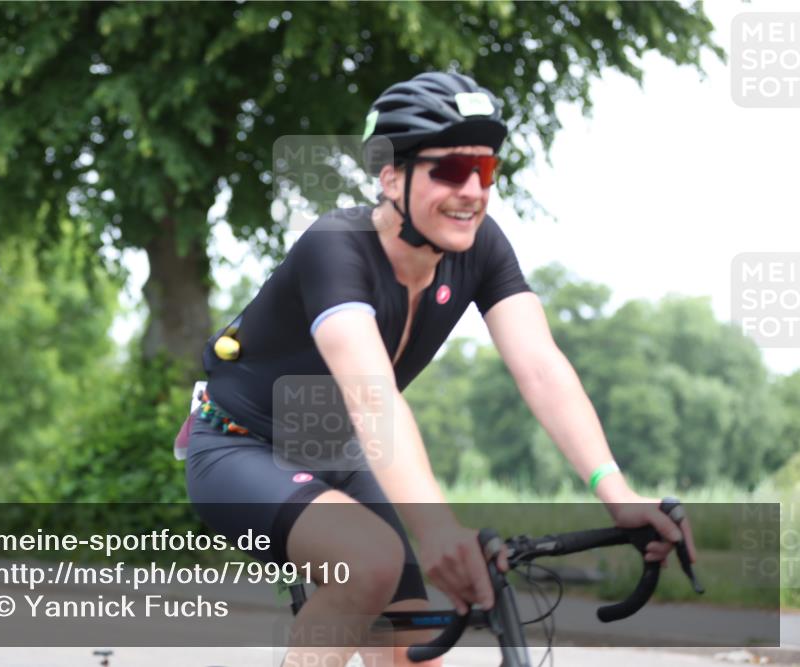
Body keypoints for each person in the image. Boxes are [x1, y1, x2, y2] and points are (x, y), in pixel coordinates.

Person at [183, 72, 697, 667]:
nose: (473, 191)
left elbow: (541, 367)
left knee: (414, 652)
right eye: (450, 171)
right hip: (242, 451)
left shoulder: (480, 247)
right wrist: (435, 532)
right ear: (391, 176)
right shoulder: (336, 246)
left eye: (486, 171)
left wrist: (615, 492)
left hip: (339, 458)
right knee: (369, 563)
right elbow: (371, 395)